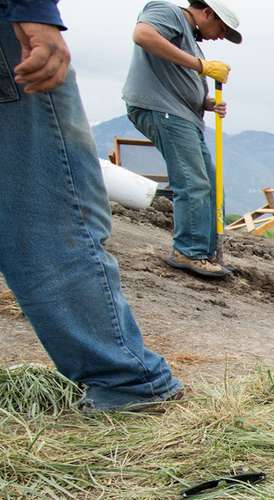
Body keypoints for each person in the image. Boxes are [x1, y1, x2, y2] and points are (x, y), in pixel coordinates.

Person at [0, 0, 183, 411]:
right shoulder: (165, 16)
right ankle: (124, 379)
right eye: (219, 31)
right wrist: (34, 13)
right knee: (45, 207)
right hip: (12, 32)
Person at [123, 0, 241, 280]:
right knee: (192, 181)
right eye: (221, 29)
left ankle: (205, 252)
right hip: (162, 110)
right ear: (208, 13)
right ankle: (189, 251)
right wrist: (200, 65)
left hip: (183, 115)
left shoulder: (188, 37)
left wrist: (206, 102)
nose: (220, 37)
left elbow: (175, 76)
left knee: (211, 184)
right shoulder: (169, 12)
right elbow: (143, 35)